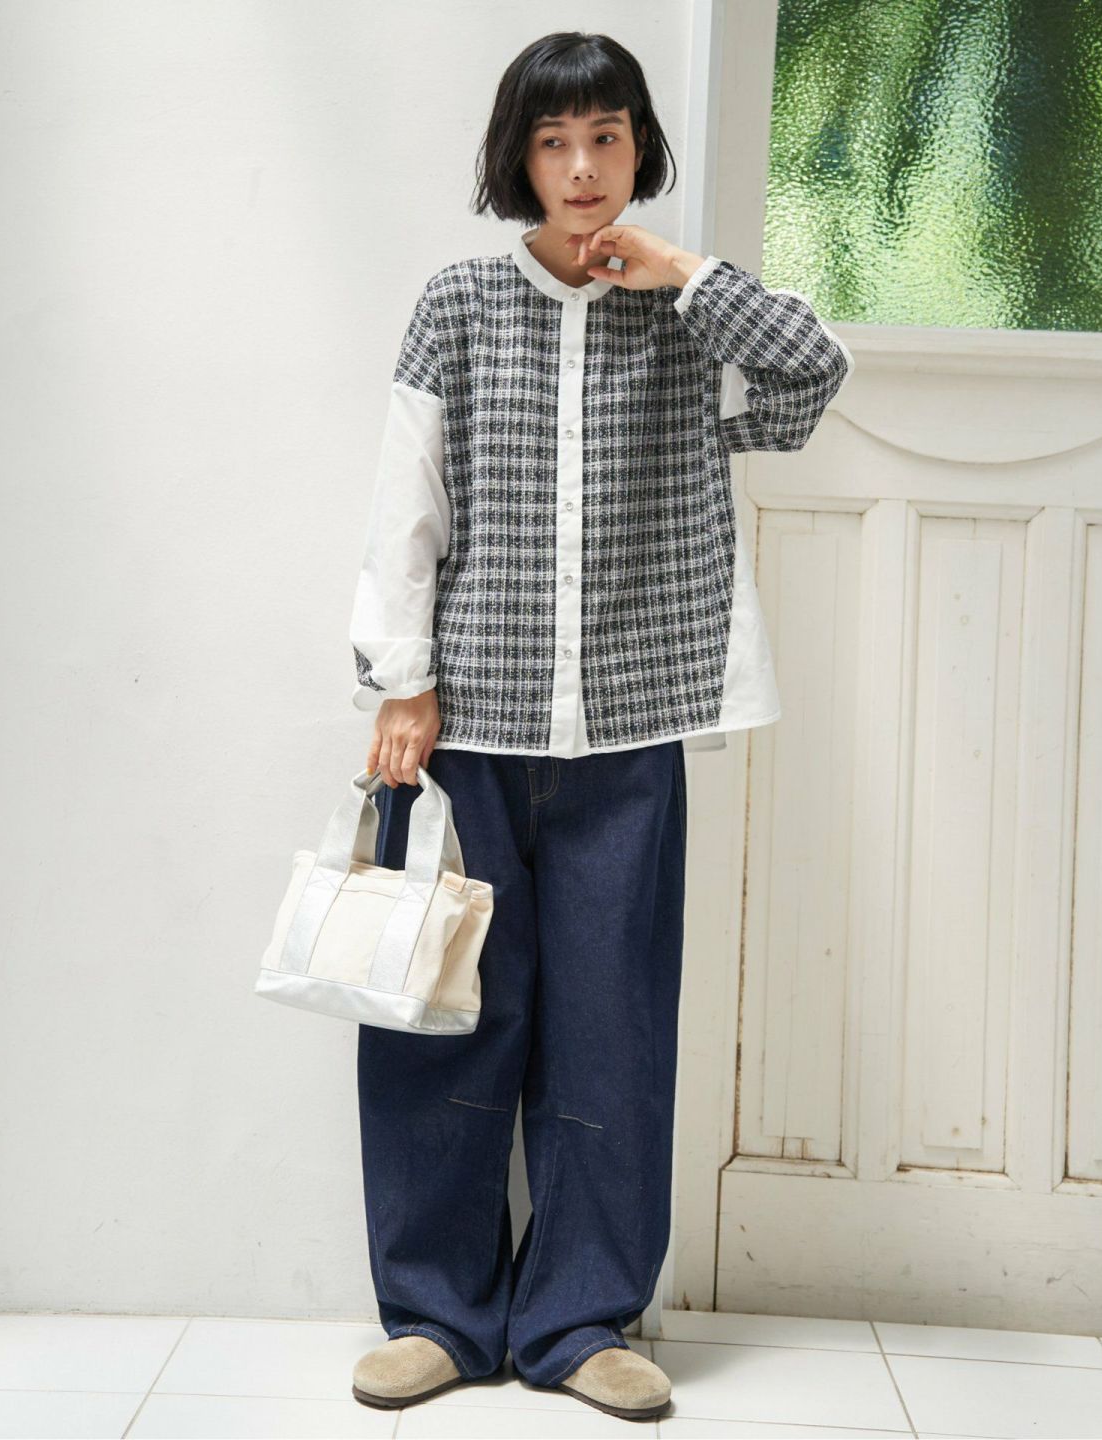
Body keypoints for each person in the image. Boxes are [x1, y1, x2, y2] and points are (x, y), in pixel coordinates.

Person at [346, 30, 854, 1422]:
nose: (582, 168)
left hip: (631, 727)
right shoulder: (459, 304)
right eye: (555, 141)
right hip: (469, 728)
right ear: (518, 155)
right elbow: (407, 498)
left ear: (640, 149)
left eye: (608, 138)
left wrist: (686, 272)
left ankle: (581, 1320)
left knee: (613, 1029)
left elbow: (809, 382)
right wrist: (401, 681)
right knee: (442, 1017)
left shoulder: (684, 313)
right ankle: (438, 1314)